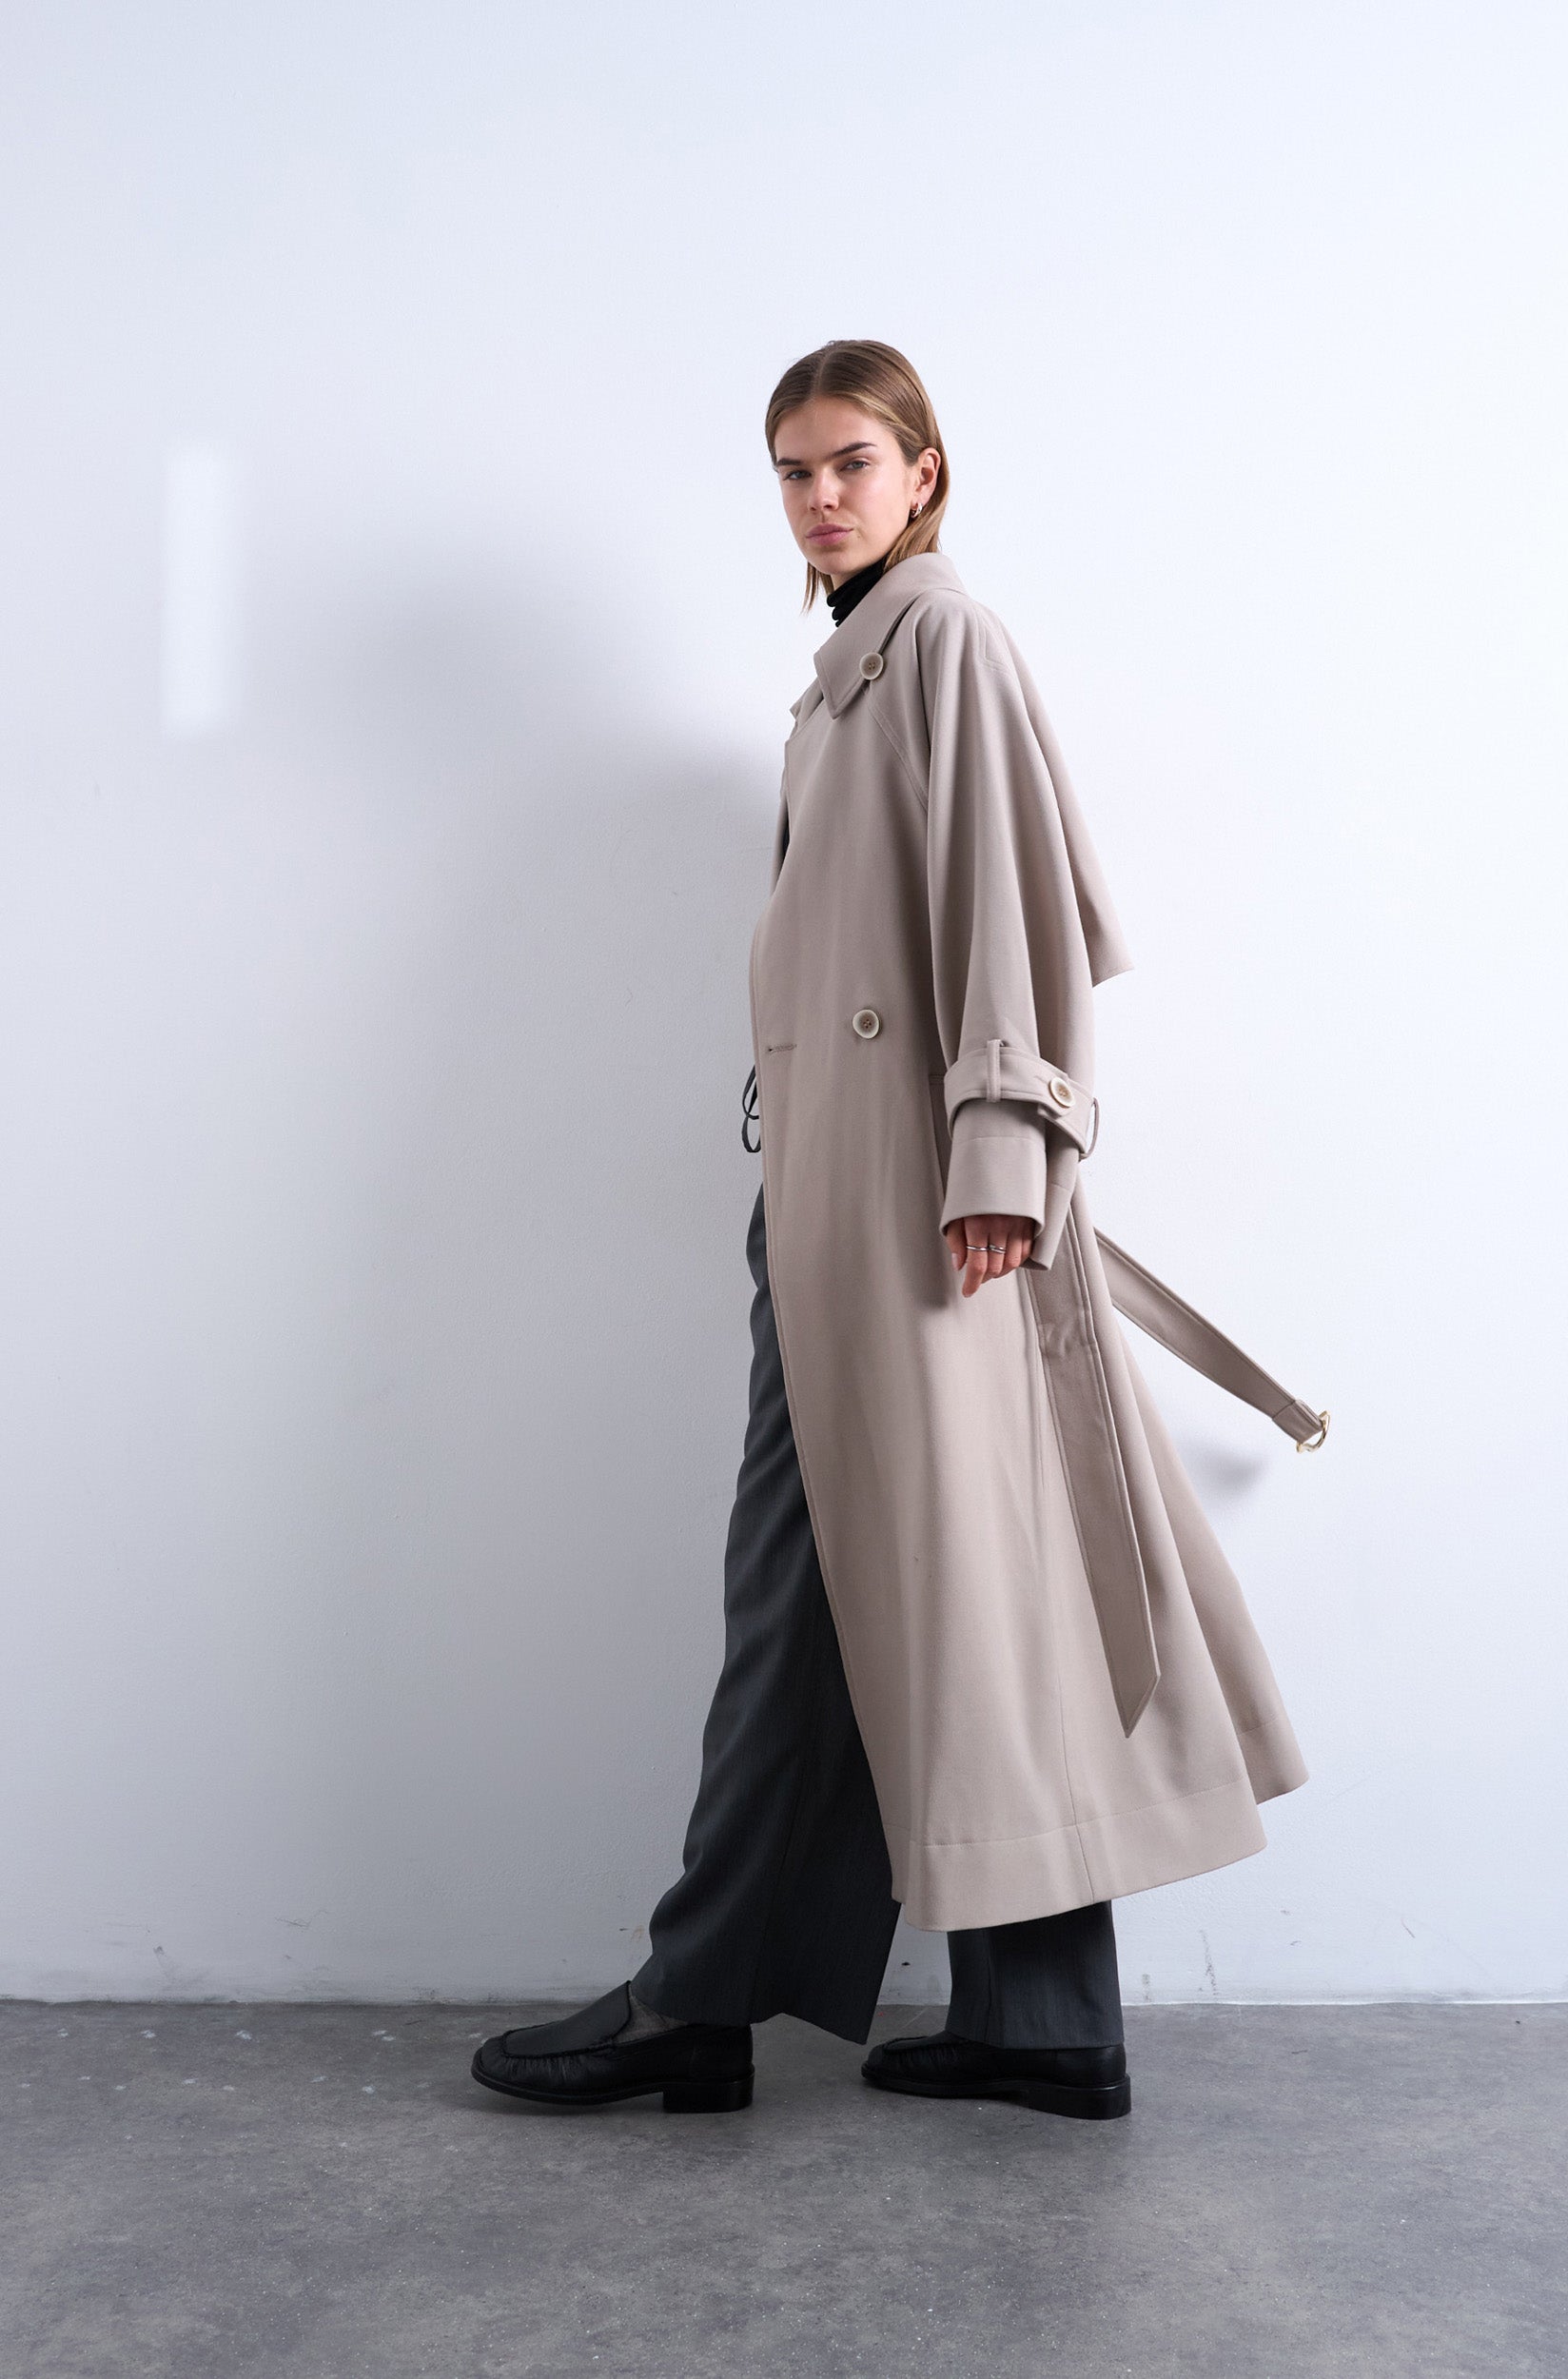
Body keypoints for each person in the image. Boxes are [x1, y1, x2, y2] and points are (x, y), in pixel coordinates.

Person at [471, 340, 1315, 2125]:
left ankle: (700, 2000)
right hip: (846, 1200)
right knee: (967, 1587)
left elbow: (1012, 905)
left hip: (927, 1213)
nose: (819, 497)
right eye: (792, 471)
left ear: (923, 470)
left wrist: (1001, 1158)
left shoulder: (941, 642)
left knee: (835, 1589)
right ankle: (1044, 2020)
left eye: (851, 461)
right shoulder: (849, 676)